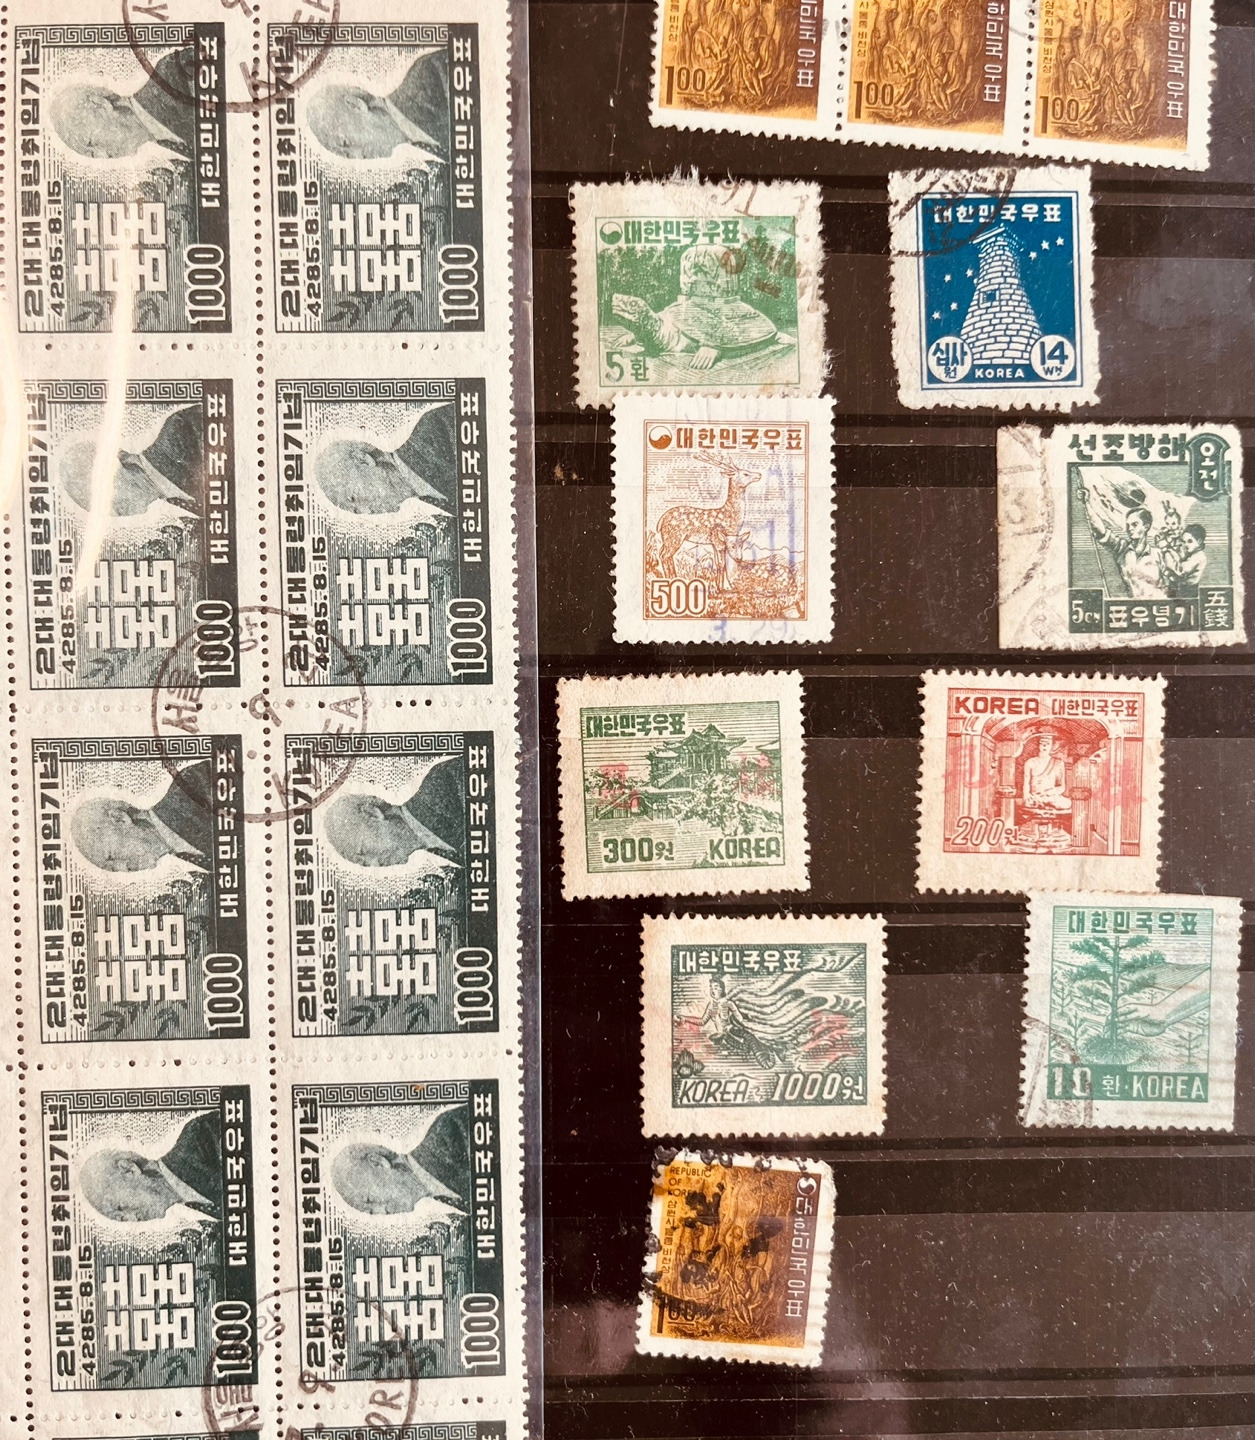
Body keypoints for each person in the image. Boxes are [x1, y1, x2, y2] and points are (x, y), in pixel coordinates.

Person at [609, 244, 783, 372]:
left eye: (633, 305)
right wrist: (637, 333)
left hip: (725, 309)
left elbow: (720, 329)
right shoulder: (666, 322)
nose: (692, 277)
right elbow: (657, 325)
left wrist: (713, 345)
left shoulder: (687, 331)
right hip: (689, 303)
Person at [50, 45, 196, 160]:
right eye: (92, 154)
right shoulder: (168, 144)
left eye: (91, 142)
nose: (103, 156)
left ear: (102, 105)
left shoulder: (172, 73)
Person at [77, 1108, 221, 1222]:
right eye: (121, 1218)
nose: (132, 1219)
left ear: (129, 1169)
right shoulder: (195, 1206)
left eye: (120, 1207)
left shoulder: (199, 1135)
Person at [59, 405, 203, 518]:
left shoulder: (181, 428)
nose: (117, 513)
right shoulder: (175, 501)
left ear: (123, 461)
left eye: (110, 502)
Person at [70, 759, 213, 872]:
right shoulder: (187, 857)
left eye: (111, 856)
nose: (123, 868)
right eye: (112, 868)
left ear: (120, 819)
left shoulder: (193, 783)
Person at [313, 403, 454, 515]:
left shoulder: (436, 426)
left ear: (363, 460)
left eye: (354, 498)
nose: (367, 512)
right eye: (356, 510)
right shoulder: (433, 500)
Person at [305, 50, 448, 160]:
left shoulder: (429, 73)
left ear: (355, 105)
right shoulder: (424, 155)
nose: (359, 157)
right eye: (347, 155)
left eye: (346, 143)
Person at [322, 757, 463, 868]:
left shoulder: (441, 782)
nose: (375, 864)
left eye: (364, 850)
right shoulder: (441, 851)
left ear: (373, 813)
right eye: (365, 863)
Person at [330, 1105, 469, 1214]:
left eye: (370, 1199)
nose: (381, 1212)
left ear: (378, 1162)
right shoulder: (445, 1197)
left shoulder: (448, 1131)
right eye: (370, 1211)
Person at [1085, 499, 1169, 599]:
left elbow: (1172, 585)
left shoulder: (1160, 555)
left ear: (1146, 527)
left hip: (1158, 604)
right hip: (1131, 604)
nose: (1130, 529)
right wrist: (1086, 502)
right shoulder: (1122, 548)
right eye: (1128, 525)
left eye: (1135, 524)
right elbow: (1101, 531)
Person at [1022, 731, 1071, 813]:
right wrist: (1026, 796)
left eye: (1047, 743)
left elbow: (1062, 787)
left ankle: (1044, 804)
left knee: (1067, 803)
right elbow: (1026, 784)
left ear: (1052, 745)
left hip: (1051, 797)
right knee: (1029, 802)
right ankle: (1041, 804)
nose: (1044, 746)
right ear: (1038, 745)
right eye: (1042, 743)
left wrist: (1051, 792)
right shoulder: (1030, 762)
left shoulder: (1058, 763)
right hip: (1036, 797)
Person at [1164, 523, 1208, 595]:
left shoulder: (1198, 556)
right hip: (1182, 589)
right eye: (1184, 542)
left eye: (1190, 541)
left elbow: (1180, 570)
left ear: (1199, 541)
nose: (1186, 544)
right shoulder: (1192, 554)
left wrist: (1167, 554)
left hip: (1187, 591)